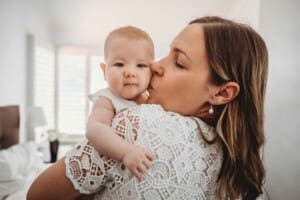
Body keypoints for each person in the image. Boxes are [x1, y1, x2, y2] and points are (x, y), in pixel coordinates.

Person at [27, 16, 268, 200]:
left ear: (222, 93)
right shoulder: (234, 160)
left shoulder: (138, 124)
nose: (155, 67)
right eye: (167, 54)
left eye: (179, 63)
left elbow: (37, 194)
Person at [86, 26, 155, 181]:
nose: (130, 72)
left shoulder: (150, 100)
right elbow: (95, 128)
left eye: (141, 65)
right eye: (119, 64)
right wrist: (125, 152)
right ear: (104, 71)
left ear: (152, 70)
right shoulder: (107, 99)